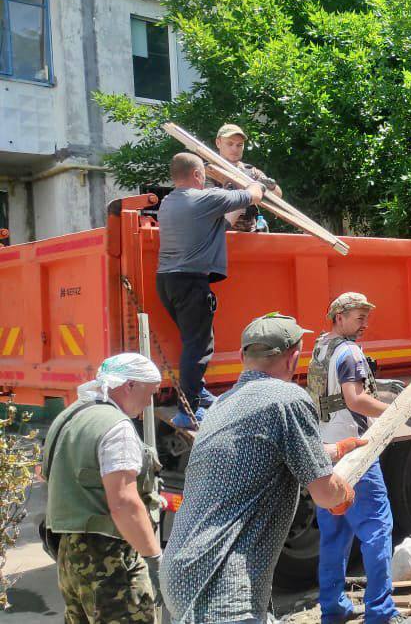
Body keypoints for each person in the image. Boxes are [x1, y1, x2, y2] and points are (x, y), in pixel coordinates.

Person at [160, 313, 362, 624]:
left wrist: (336, 450)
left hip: (182, 573)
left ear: (242, 356)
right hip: (223, 583)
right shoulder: (288, 398)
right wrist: (343, 494)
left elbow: (275, 450)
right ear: (294, 358)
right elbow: (325, 494)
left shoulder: (222, 404)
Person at [306, 293, 411, 624]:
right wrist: (398, 411)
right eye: (359, 318)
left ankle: (333, 608)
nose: (365, 324)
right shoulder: (350, 351)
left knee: (334, 534)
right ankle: (381, 612)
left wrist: (379, 382)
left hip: (323, 454)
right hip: (354, 455)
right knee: (376, 529)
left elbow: (334, 389)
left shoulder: (322, 347)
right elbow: (355, 400)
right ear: (339, 316)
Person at [42, 353, 164, 624]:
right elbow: (123, 502)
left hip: (68, 554)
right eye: (150, 392)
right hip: (109, 558)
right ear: (129, 385)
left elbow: (49, 477)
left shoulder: (69, 415)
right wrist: (154, 557)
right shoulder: (116, 426)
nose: (148, 403)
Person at [156, 152, 266, 425]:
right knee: (199, 345)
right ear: (196, 175)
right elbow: (254, 195)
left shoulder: (169, 202)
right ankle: (189, 411)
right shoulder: (204, 198)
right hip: (191, 282)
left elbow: (220, 225)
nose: (206, 179)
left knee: (194, 340)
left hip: (168, 281)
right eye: (203, 175)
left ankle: (198, 391)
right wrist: (255, 182)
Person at [205, 123, 283, 232]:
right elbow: (208, 204)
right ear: (218, 143)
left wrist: (271, 186)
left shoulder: (251, 172)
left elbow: (277, 196)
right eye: (230, 144)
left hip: (250, 236)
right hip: (219, 235)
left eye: (239, 145)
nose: (235, 149)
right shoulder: (209, 172)